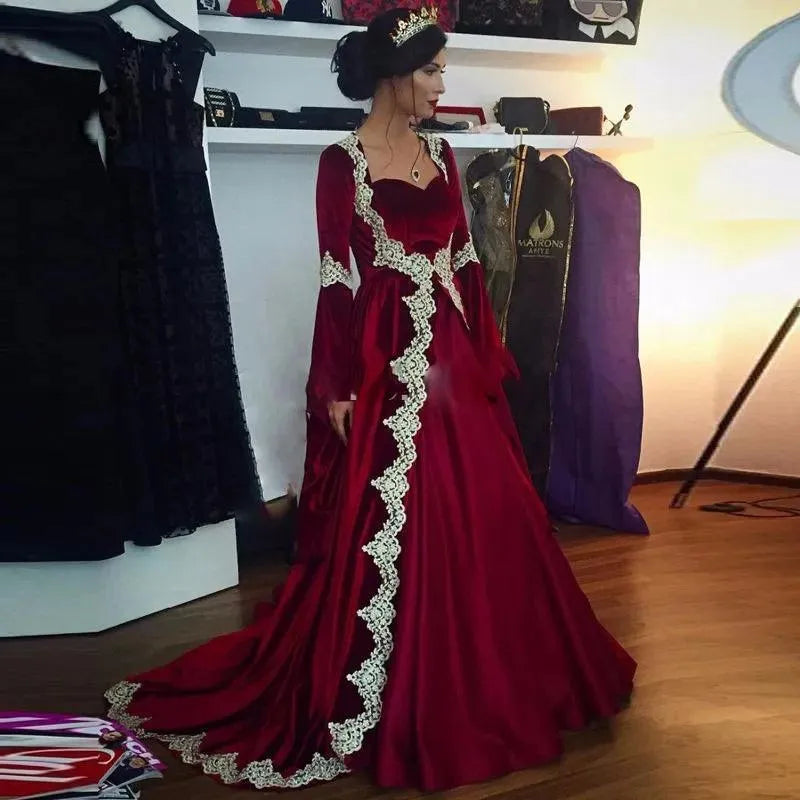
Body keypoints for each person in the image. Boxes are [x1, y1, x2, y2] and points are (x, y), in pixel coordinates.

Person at [105, 6, 636, 792]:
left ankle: (499, 668)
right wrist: (334, 384)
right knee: (395, 516)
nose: (442, 85)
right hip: (385, 354)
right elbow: (337, 279)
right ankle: (398, 673)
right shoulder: (341, 162)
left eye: (442, 70)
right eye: (432, 71)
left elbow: (465, 264)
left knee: (489, 508)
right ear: (394, 74)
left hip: (453, 356)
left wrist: (486, 359)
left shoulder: (443, 155)